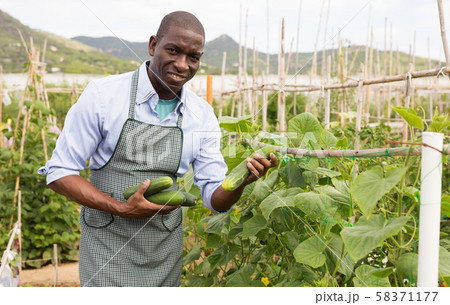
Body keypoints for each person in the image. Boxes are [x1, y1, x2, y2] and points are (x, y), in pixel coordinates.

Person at [38, 11, 277, 287]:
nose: (182, 64)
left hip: (164, 255)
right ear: (153, 45)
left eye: (194, 57)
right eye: (173, 50)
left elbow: (214, 198)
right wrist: (120, 207)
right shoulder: (103, 96)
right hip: (106, 252)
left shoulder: (202, 115)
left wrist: (242, 181)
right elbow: (59, 172)